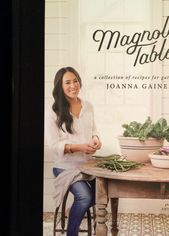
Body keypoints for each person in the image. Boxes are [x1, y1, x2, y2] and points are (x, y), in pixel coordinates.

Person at [45, 66, 102, 236]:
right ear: (60, 86)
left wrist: (96, 141)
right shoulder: (53, 111)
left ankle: (74, 210)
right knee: (85, 197)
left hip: (88, 165)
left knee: (103, 193)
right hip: (65, 167)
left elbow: (94, 131)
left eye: (75, 80)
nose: (73, 85)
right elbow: (53, 145)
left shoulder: (88, 106)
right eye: (67, 82)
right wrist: (78, 147)